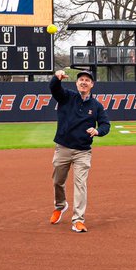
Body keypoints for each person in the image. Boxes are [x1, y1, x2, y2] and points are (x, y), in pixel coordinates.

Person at [48, 69, 110, 233]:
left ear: (92, 85)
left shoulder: (96, 106)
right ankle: (60, 206)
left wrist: (98, 131)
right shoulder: (66, 96)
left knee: (80, 184)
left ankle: (78, 220)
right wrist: (56, 78)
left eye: (87, 80)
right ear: (77, 83)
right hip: (63, 148)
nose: (84, 82)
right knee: (57, 181)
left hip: (83, 151)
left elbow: (105, 125)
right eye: (81, 79)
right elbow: (54, 88)